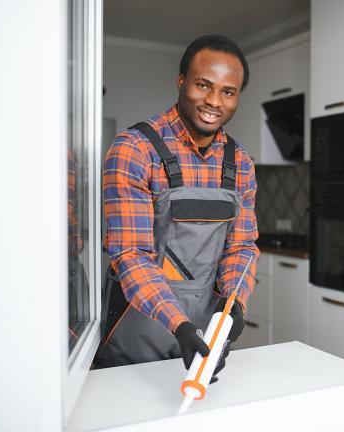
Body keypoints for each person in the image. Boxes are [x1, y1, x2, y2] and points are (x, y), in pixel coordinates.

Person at [94, 35, 259, 380]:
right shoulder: (135, 149)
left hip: (202, 335)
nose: (214, 101)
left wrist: (234, 305)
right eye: (203, 85)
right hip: (137, 331)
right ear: (181, 80)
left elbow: (241, 247)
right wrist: (179, 325)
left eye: (228, 92)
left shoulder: (240, 162)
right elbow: (131, 254)